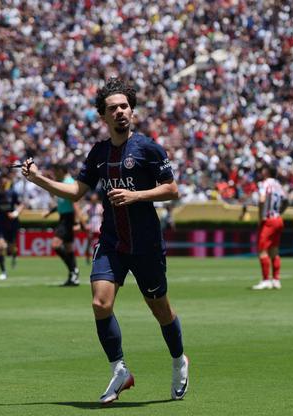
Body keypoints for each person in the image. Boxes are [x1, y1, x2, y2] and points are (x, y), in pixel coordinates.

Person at [21, 77, 189, 403]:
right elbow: (76, 191)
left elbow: (172, 189)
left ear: (132, 111)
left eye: (124, 106)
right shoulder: (98, 153)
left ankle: (179, 359)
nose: (120, 112)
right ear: (103, 116)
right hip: (111, 240)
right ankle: (119, 370)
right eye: (113, 108)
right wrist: (39, 178)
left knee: (161, 309)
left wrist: (136, 195)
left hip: (146, 244)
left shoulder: (148, 148)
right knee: (100, 303)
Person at [43, 163, 85, 286]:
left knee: (55, 245)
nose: (54, 173)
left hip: (68, 218)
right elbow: (61, 203)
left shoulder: (69, 183)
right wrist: (50, 212)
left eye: (55, 171)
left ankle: (73, 270)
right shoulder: (63, 182)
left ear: (61, 170)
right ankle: (73, 276)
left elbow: (75, 204)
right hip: (64, 217)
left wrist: (77, 222)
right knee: (68, 247)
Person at [252, 166, 288, 290]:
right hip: (278, 219)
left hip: (268, 220)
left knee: (262, 250)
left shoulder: (265, 184)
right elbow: (286, 200)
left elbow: (262, 200)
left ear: (267, 172)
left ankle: (266, 280)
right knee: (274, 250)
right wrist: (280, 212)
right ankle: (276, 280)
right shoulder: (278, 185)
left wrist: (261, 216)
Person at [0, 172, 24, 280]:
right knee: (0, 247)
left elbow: (21, 205)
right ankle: (3, 272)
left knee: (11, 247)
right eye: (1, 180)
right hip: (0, 223)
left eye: (4, 179)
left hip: (12, 224)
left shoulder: (12, 193)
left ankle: (14, 255)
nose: (3, 181)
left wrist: (15, 213)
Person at [84, 192, 103, 264]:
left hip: (98, 226)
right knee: (89, 243)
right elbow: (82, 215)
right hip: (91, 226)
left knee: (98, 243)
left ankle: (98, 257)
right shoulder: (88, 207)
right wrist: (85, 224)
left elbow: (103, 216)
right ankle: (87, 257)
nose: (93, 200)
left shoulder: (100, 206)